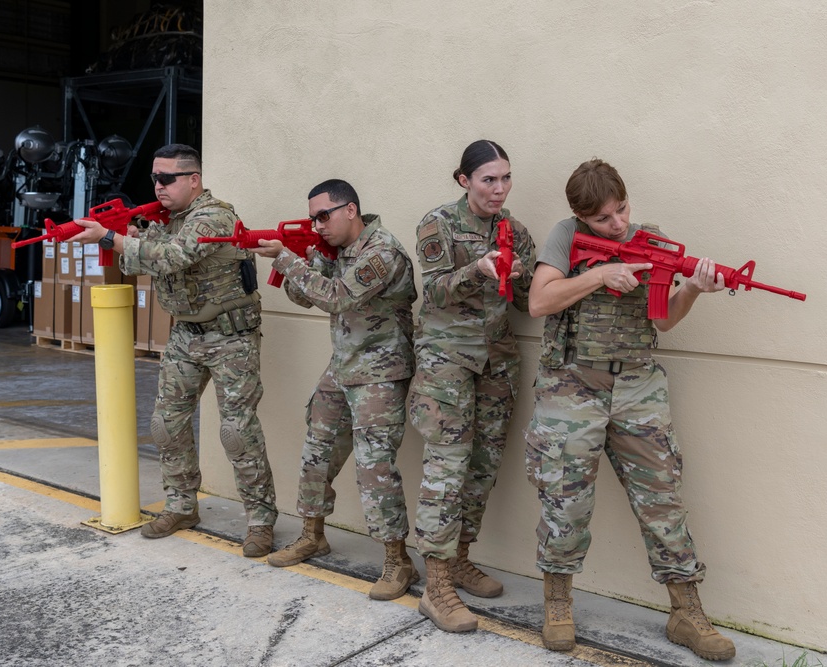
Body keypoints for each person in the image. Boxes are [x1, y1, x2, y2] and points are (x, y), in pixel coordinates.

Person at [523, 158, 735, 661]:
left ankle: (686, 611)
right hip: (572, 385)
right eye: (603, 220)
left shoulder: (654, 241)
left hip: (638, 386)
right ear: (580, 218)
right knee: (565, 499)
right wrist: (601, 275)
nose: (617, 224)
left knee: (662, 496)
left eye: (622, 211)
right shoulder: (564, 236)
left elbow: (663, 324)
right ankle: (557, 602)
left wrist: (691, 290)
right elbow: (539, 302)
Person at [70, 143, 277, 557]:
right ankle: (182, 505)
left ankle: (260, 520)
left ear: (194, 179)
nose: (158, 186)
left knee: (237, 431)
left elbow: (172, 258)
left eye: (167, 178)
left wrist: (113, 237)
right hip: (186, 333)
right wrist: (125, 236)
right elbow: (136, 263)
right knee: (166, 423)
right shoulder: (167, 219)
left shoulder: (213, 215)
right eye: (154, 178)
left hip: (231, 334)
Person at [249, 180, 419, 601]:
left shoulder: (383, 252)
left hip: (380, 372)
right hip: (343, 367)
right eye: (312, 218)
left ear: (351, 210)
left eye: (324, 215)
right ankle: (313, 535)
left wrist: (288, 259)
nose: (317, 224)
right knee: (317, 451)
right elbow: (308, 297)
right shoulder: (340, 252)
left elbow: (337, 298)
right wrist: (304, 260)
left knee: (374, 467)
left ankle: (399, 562)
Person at [410, 139, 537, 633]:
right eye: (489, 179)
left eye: (506, 178)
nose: (499, 189)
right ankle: (436, 585)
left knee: (482, 468)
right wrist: (476, 268)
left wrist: (522, 277)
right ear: (464, 181)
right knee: (447, 466)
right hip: (447, 361)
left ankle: (460, 557)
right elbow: (434, 291)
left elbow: (526, 305)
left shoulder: (516, 231)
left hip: (498, 362)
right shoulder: (437, 222)